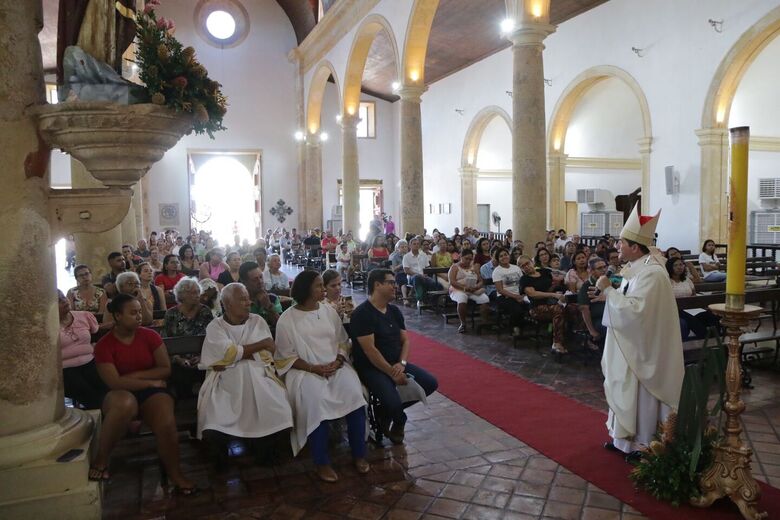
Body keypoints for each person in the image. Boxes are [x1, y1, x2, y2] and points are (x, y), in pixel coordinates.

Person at [597, 205, 684, 461]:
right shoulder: (636, 267)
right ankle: (622, 440)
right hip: (629, 343)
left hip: (645, 349)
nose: (617, 247)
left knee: (642, 394)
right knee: (624, 388)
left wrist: (608, 291)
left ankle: (644, 444)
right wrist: (612, 290)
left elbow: (636, 313)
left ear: (635, 246)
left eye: (621, 243)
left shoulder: (653, 273)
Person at [92, 294, 197, 494]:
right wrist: (150, 381)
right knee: (125, 404)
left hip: (151, 391)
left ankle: (175, 473)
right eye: (133, 313)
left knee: (166, 421)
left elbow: (165, 369)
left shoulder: (150, 336)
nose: (139, 316)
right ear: (117, 316)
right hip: (119, 392)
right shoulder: (105, 345)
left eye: (140, 311)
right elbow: (114, 381)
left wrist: (134, 376)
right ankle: (102, 459)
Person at [274, 271, 369, 482]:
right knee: (315, 401)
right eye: (318, 286)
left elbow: (342, 341)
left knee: (354, 394)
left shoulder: (328, 312)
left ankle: (359, 453)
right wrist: (313, 368)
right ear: (305, 289)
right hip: (304, 371)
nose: (323, 289)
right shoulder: (287, 319)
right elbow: (284, 357)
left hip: (335, 366)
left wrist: (338, 360)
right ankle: (322, 462)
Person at [196, 284, 293, 465]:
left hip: (259, 375)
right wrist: (257, 346)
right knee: (216, 415)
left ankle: (264, 451)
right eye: (242, 299)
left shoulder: (257, 321)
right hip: (226, 382)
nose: (249, 303)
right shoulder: (215, 326)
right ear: (227, 304)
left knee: (277, 407)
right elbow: (226, 354)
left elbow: (267, 353)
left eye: (248, 298)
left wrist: (234, 355)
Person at [350, 269, 438, 445]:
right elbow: (371, 351)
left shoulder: (394, 311)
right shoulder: (362, 314)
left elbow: (405, 340)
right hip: (372, 367)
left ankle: (385, 413)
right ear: (377, 285)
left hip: (396, 364)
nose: (395, 286)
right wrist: (392, 373)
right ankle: (398, 419)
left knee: (430, 383)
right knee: (393, 402)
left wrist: (402, 364)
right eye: (390, 282)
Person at [58, 290, 107, 409]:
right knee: (85, 391)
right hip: (66, 369)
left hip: (90, 362)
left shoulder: (83, 316)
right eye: (58, 300)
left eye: (63, 297)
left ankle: (110, 414)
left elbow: (96, 332)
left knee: (105, 385)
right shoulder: (47, 324)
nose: (64, 300)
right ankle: (106, 415)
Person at [518, 255, 567, 354]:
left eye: (527, 263)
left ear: (532, 262)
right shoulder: (525, 279)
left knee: (572, 308)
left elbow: (553, 284)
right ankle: (557, 343)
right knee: (558, 309)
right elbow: (533, 294)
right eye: (523, 266)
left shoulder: (544, 272)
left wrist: (557, 288)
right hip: (537, 308)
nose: (526, 267)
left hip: (552, 302)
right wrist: (552, 294)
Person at [448, 248, 490, 333]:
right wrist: (463, 287)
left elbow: (481, 281)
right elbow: (452, 281)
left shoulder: (473, 267)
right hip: (458, 290)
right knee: (462, 298)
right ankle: (463, 323)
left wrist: (477, 286)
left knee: (485, 299)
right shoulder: (455, 267)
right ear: (461, 257)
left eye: (470, 259)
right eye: (466, 258)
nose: (468, 261)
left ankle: (484, 323)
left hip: (472, 290)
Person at [492, 247, 526, 336]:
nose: (504, 257)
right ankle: (514, 328)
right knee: (517, 309)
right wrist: (516, 297)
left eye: (505, 255)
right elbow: (500, 290)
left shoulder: (516, 268)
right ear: (498, 259)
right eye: (501, 256)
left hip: (519, 294)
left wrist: (522, 294)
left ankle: (523, 328)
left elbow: (522, 282)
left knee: (530, 305)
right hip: (504, 296)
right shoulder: (497, 271)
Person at [239, 261, 282, 327]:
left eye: (261, 277)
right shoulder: (239, 302)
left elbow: (280, 325)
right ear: (244, 282)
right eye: (255, 280)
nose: (260, 282)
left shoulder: (272, 298)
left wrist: (269, 307)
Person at [578, 257, 608, 350]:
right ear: (591, 271)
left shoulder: (608, 282)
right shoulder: (587, 286)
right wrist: (592, 331)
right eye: (599, 268)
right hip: (598, 319)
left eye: (605, 267)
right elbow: (584, 309)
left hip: (612, 315)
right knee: (612, 330)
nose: (604, 270)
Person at [403, 237, 441, 303]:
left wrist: (425, 274)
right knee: (417, 278)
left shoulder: (423, 255)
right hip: (412, 277)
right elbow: (406, 270)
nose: (416, 245)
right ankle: (420, 299)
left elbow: (427, 267)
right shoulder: (406, 256)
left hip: (424, 276)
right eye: (414, 244)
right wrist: (419, 275)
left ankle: (431, 301)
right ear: (410, 246)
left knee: (438, 285)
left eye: (418, 244)